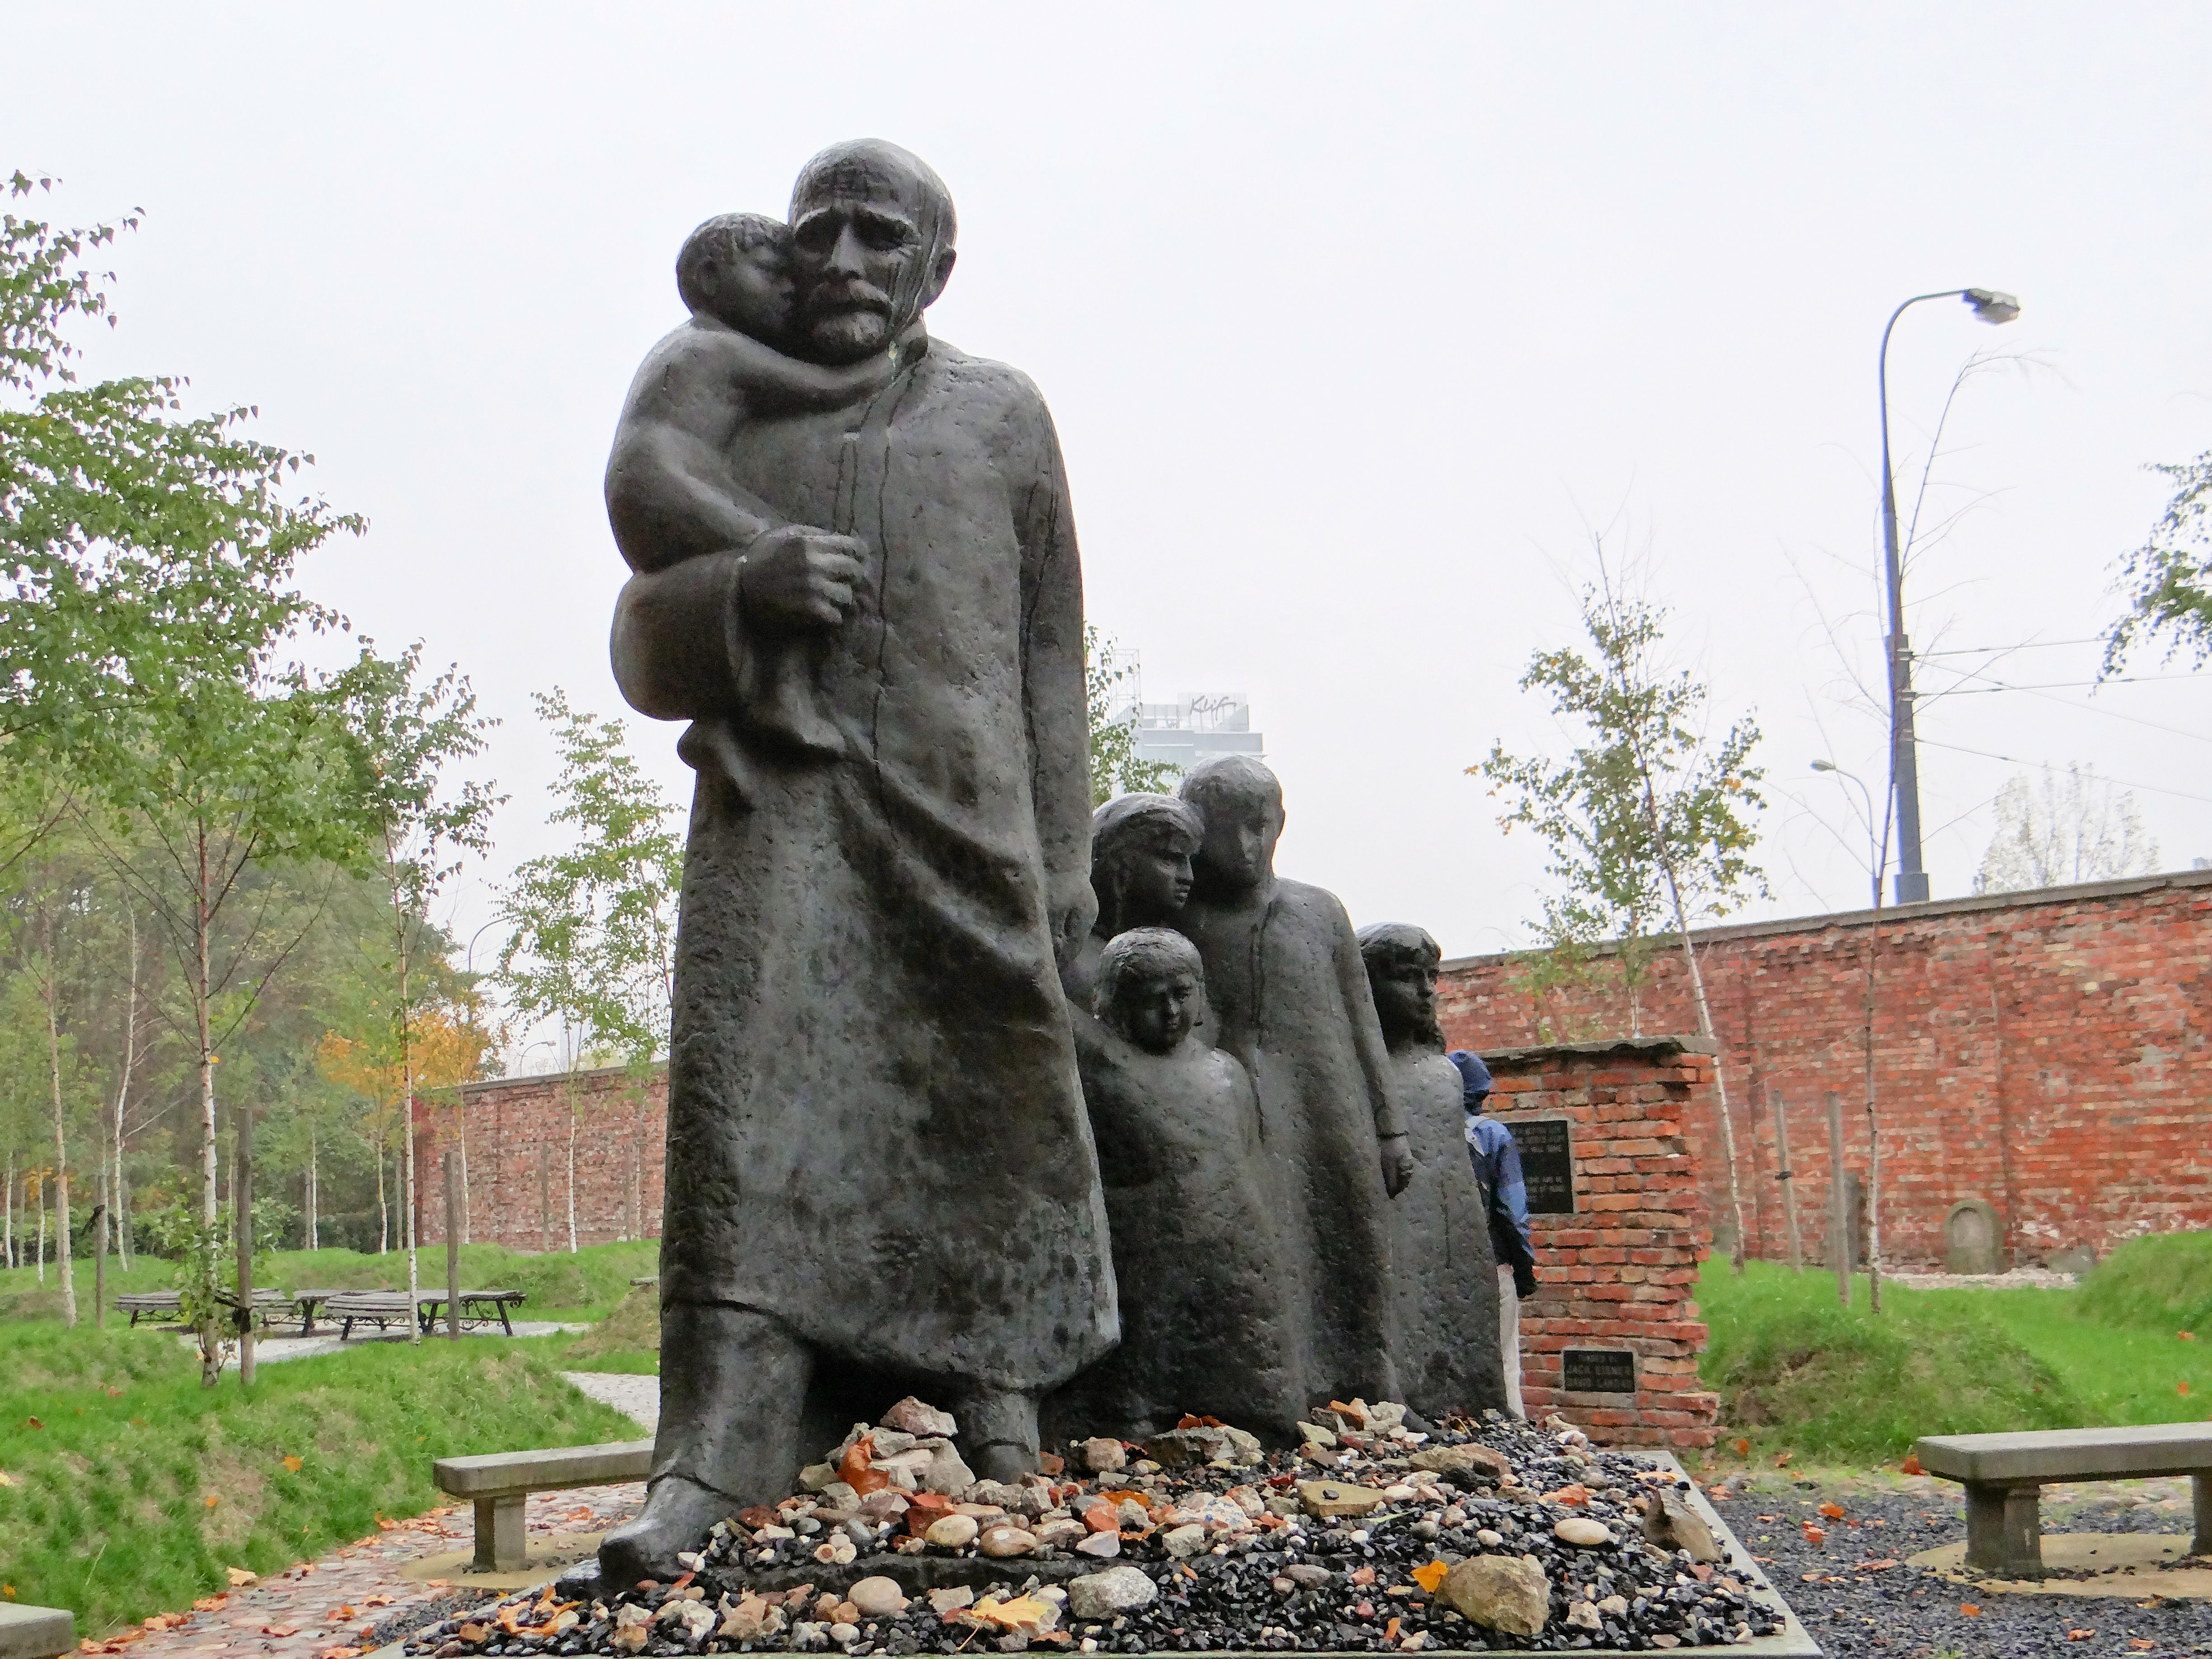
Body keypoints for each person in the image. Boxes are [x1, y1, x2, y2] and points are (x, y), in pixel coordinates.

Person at [598, 141, 1113, 1584]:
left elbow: (1053, 652)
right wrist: (742, 584)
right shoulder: (734, 392)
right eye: (817, 231)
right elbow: (640, 627)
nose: (840, 261)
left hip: (968, 816)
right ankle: (717, 1446)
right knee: (748, 1110)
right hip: (784, 816)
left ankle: (1000, 1407)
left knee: (987, 1090)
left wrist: (1066, 857)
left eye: (878, 236)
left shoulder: (1001, 413)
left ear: (936, 266)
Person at [604, 211, 921, 784]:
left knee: (786, 571)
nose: (788, 290)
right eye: (772, 273)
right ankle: (781, 702)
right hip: (666, 485)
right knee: (796, 564)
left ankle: (721, 725)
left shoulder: (697, 348)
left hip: (663, 483)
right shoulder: (712, 349)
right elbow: (828, 389)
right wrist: (896, 355)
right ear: (710, 277)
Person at [1172, 755, 1411, 1411]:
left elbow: (1363, 1022)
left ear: (1280, 823)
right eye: (1224, 830)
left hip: (1329, 1100)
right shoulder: (1182, 919)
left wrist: (1389, 1126)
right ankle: (1276, 1383)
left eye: (1259, 826)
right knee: (1263, 1244)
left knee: (1352, 1231)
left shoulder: (1320, 912)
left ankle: (1370, 1379)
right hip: (1237, 1105)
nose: (1245, 847)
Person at [1055, 928, 1297, 1439]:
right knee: (1147, 1342)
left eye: (1181, 994)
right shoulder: (1104, 1063)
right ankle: (1131, 1421)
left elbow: (1248, 1161)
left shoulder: (1224, 1072)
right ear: (1113, 1005)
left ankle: (1257, 1414)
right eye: (1151, 1000)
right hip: (1144, 1243)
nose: (1169, 1011)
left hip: (1236, 1241)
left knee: (1248, 1335)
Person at [1358, 924, 1505, 1420]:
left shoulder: (1443, 1072)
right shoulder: (1359, 1078)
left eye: (1432, 977)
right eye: (1407, 977)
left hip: (1451, 1234)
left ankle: (1470, 1393)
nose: (1425, 991)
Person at [1062, 792, 1204, 1010]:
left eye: (1188, 861)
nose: (1188, 877)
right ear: (1121, 862)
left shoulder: (1182, 953)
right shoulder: (1072, 961)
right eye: (1169, 859)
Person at [1452, 1050, 1536, 1420]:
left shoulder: (1418, 1134)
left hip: (1433, 1274)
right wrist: (1524, 1270)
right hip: (1491, 1267)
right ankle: (1513, 1437)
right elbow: (1511, 1212)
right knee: (1504, 1364)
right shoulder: (1491, 1136)